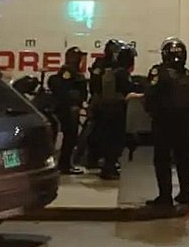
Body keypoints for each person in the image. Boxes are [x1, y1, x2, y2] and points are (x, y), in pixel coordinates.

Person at [144, 38, 189, 206]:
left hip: (163, 121)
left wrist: (151, 111)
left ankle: (165, 196)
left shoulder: (159, 72)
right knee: (183, 159)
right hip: (185, 122)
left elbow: (150, 95)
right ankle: (185, 193)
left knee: (162, 160)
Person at [92, 42, 138, 181]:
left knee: (109, 140)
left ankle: (108, 166)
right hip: (116, 111)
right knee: (115, 141)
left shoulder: (112, 71)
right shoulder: (121, 73)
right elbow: (127, 89)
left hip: (108, 109)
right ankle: (109, 168)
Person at [47, 46, 88, 175]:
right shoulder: (70, 74)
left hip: (66, 109)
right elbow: (65, 92)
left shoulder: (72, 74)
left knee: (70, 138)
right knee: (70, 138)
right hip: (68, 110)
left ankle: (64, 163)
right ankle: (64, 164)